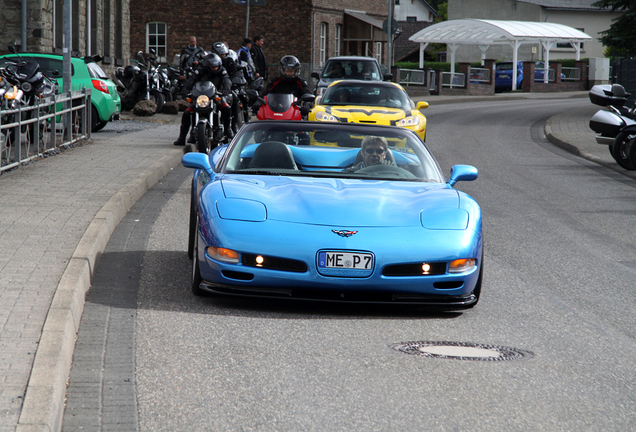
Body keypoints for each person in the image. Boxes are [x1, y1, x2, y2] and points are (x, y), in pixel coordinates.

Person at [174, 53, 233, 146]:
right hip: (202, 97)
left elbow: (226, 80)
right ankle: (182, 138)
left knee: (226, 108)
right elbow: (192, 80)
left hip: (216, 95)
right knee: (187, 112)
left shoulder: (222, 71)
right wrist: (185, 89)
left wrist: (226, 88)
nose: (215, 68)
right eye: (212, 66)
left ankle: (227, 129)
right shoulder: (201, 70)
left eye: (216, 66)